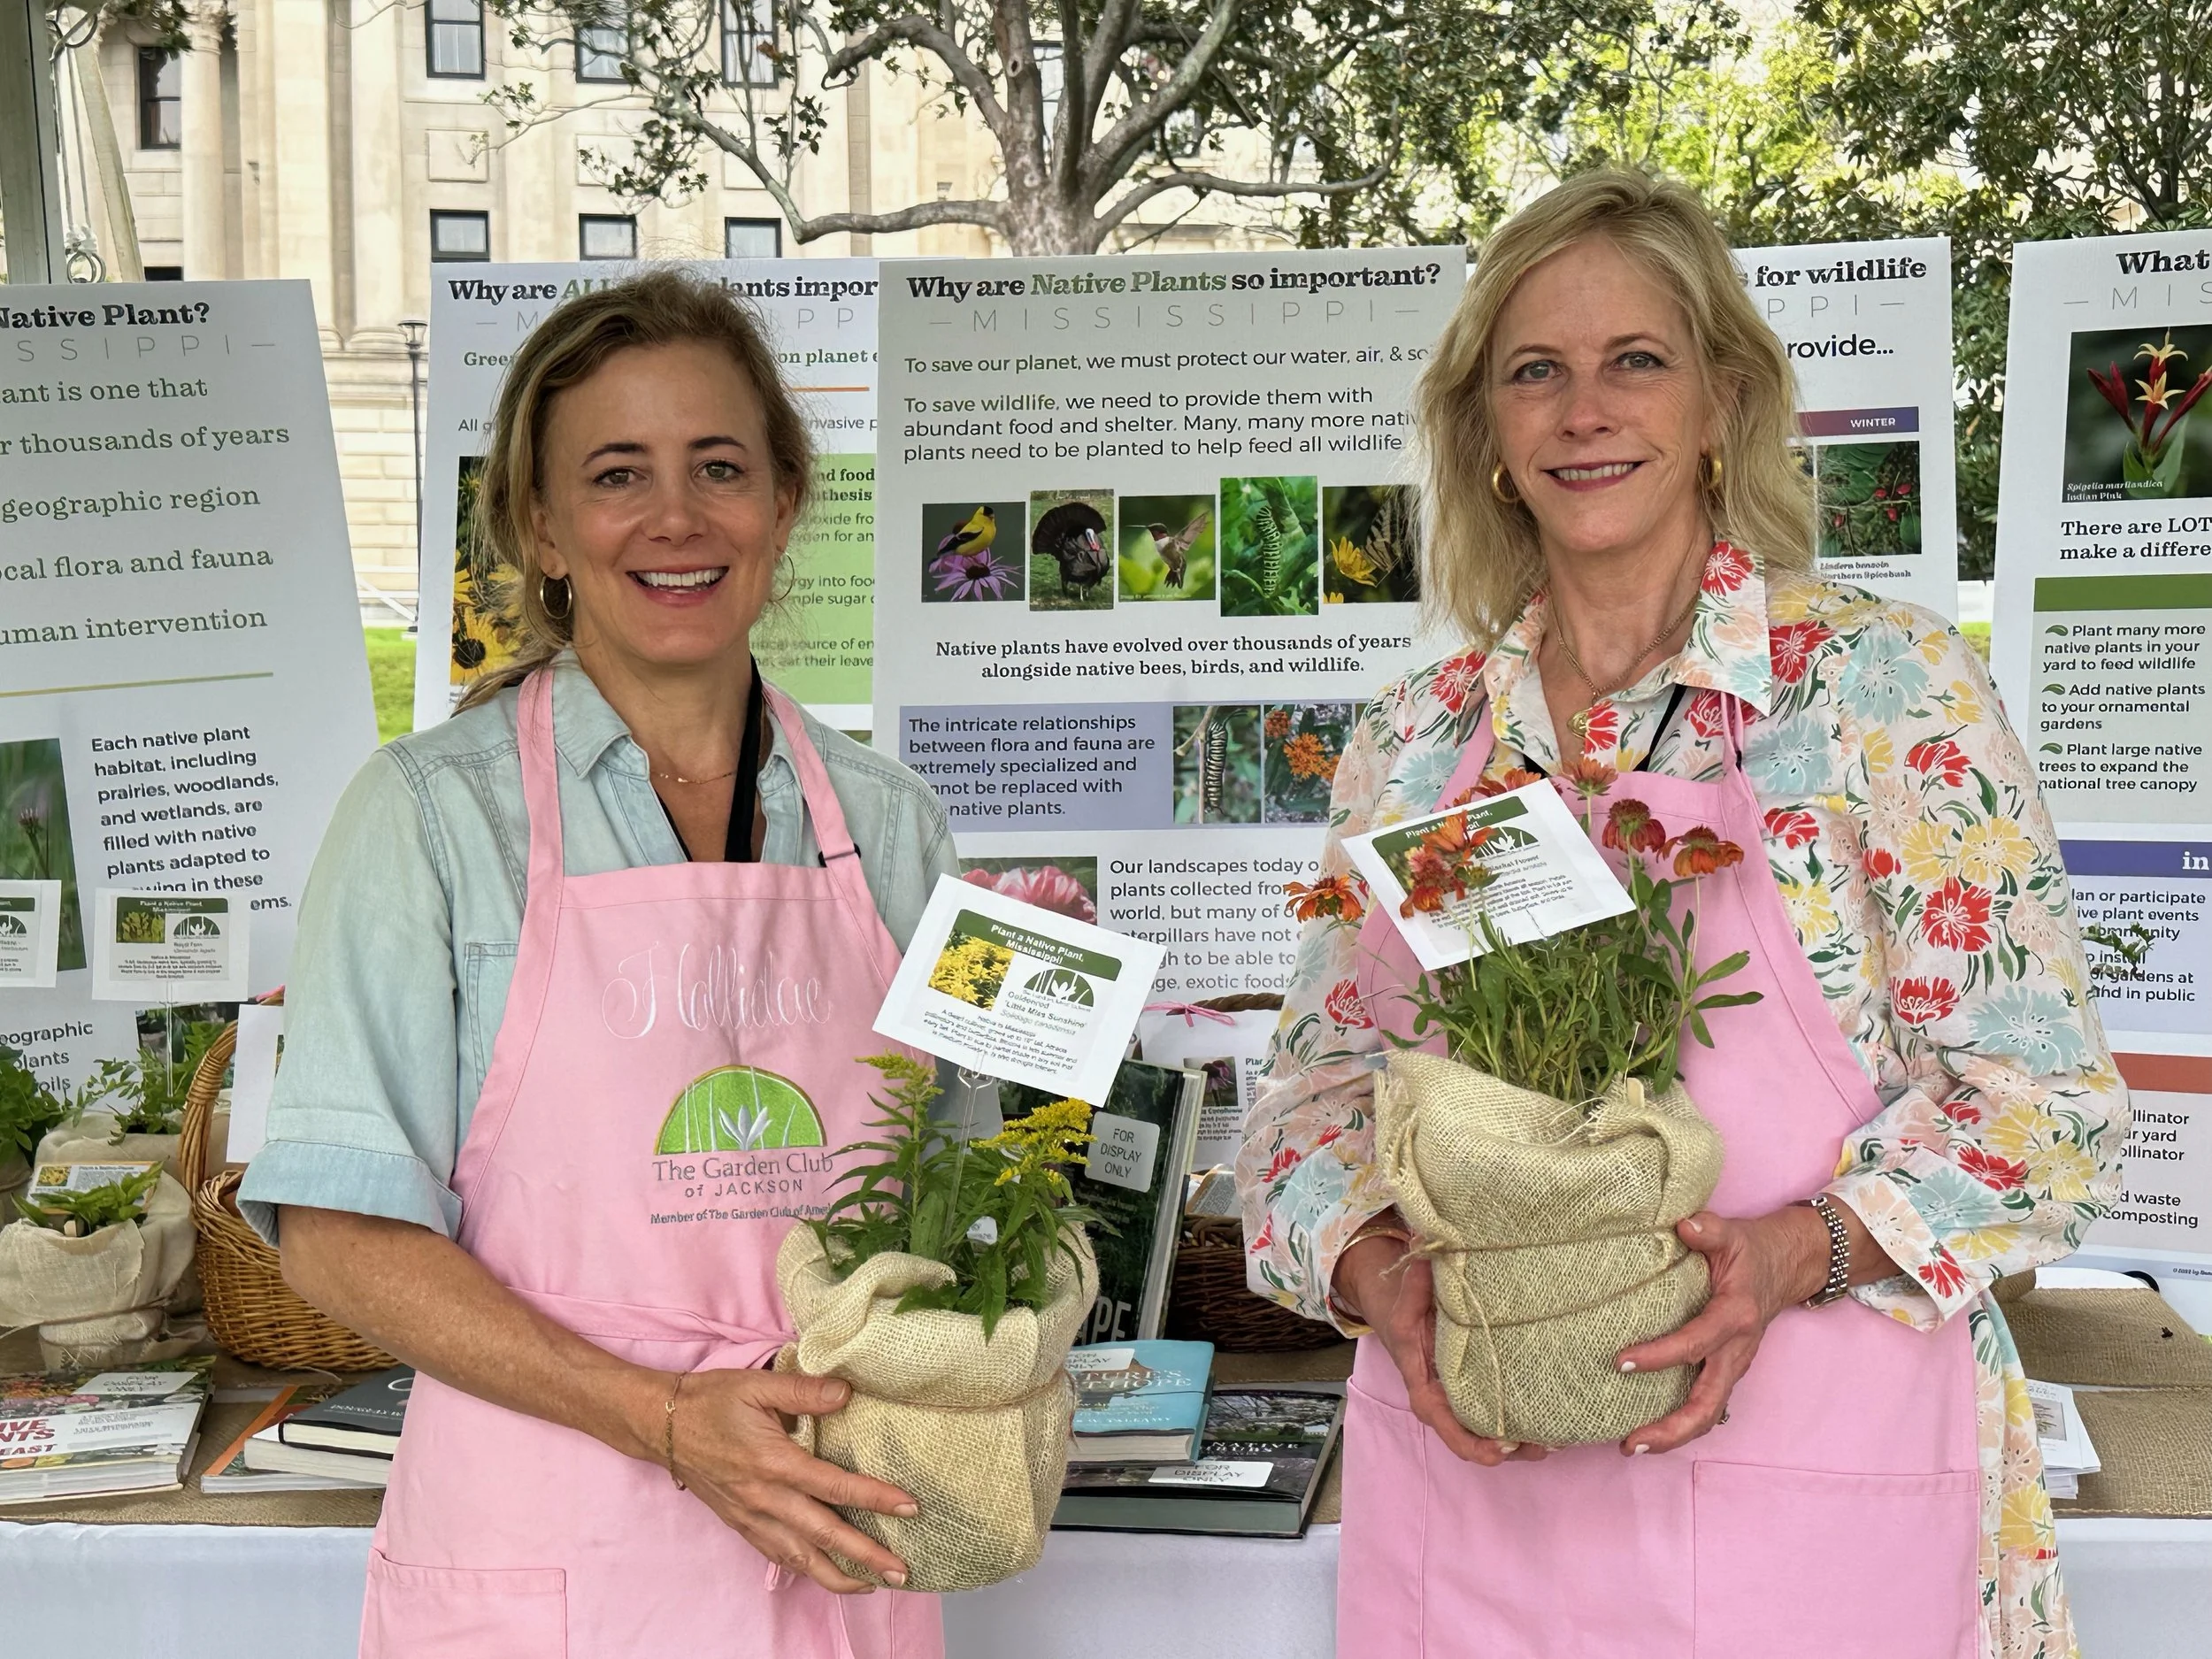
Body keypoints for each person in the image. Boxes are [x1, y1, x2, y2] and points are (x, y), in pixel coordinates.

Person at [1238, 171, 2128, 1659]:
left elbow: (2046, 1106)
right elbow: (1309, 1110)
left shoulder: (1877, 693)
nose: (1585, 411)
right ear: (1488, 433)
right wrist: (1382, 1277)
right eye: (1537, 371)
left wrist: (1790, 1253)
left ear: (1722, 399)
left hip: (1814, 1502)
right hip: (1484, 1509)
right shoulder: (1425, 737)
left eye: (1635, 360)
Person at [239, 271, 955, 1658]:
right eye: (618, 474)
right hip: (551, 1551)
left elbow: (962, 1189)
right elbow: (338, 1230)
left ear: (784, 505)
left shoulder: (892, 824)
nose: (676, 518)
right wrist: (667, 1419)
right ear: (543, 529)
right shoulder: (430, 819)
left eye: (720, 467)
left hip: (841, 1539)